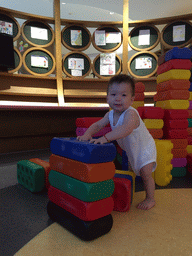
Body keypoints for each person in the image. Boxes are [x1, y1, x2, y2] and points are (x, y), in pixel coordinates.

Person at [77, 74, 157, 210]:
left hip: (145, 148)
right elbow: (98, 125)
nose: (118, 98)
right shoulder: (110, 114)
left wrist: (105, 138)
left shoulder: (131, 114)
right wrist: (87, 134)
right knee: (133, 171)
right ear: (107, 97)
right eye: (113, 94)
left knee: (145, 174)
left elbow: (125, 129)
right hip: (132, 148)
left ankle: (150, 199)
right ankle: (130, 190)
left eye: (124, 95)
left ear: (132, 100)